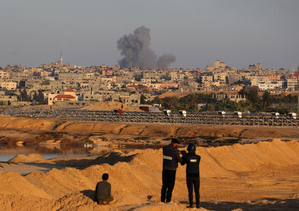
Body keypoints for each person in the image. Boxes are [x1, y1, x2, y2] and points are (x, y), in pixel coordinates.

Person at [161, 138, 182, 203]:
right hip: (172, 169)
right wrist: (180, 154)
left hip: (165, 168)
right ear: (175, 143)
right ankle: (168, 200)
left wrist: (178, 152)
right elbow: (179, 160)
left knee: (164, 185)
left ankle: (162, 199)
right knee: (170, 185)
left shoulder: (165, 148)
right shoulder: (174, 150)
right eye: (176, 144)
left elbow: (170, 153)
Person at [181, 143, 201, 208]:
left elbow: (182, 163)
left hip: (189, 175)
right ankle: (198, 205)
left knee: (190, 191)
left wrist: (184, 155)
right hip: (197, 176)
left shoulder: (187, 157)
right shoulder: (198, 157)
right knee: (197, 191)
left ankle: (191, 204)